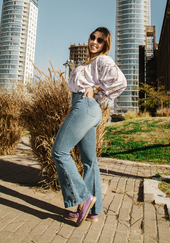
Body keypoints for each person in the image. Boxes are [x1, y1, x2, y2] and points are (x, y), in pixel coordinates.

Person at [51, 27, 127, 227]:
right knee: (89, 161)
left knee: (59, 151)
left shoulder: (103, 60)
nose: (94, 42)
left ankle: (83, 197)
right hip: (86, 109)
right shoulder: (89, 62)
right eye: (92, 37)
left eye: (100, 40)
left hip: (86, 106)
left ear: (105, 44)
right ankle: (92, 210)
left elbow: (121, 82)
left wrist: (96, 88)